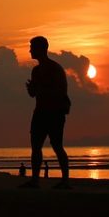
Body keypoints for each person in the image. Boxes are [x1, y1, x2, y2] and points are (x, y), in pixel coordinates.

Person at [21, 35, 71, 189]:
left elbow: (60, 92)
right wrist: (32, 90)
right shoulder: (36, 70)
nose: (30, 50)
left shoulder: (55, 69)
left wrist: (39, 89)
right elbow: (34, 95)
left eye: (32, 47)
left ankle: (65, 180)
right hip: (40, 112)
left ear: (41, 49)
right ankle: (35, 180)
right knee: (36, 147)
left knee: (57, 146)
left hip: (55, 112)